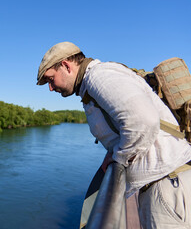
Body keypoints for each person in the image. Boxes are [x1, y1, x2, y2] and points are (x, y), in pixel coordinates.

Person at [36, 41, 191, 228]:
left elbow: (143, 122)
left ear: (66, 66)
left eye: (50, 79)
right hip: (164, 185)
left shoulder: (99, 77)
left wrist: (118, 156)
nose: (51, 88)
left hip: (166, 187)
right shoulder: (91, 84)